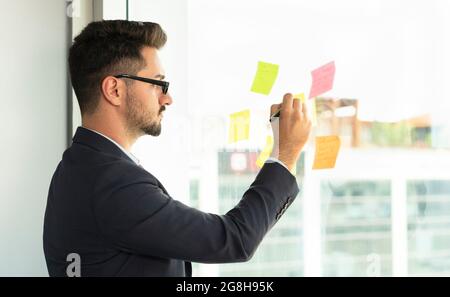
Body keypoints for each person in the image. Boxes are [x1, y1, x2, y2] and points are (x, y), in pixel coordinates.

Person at [43, 20, 311, 277]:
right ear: (114, 90)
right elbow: (235, 238)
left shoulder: (76, 167)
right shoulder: (113, 184)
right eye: (158, 84)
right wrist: (285, 154)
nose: (167, 98)